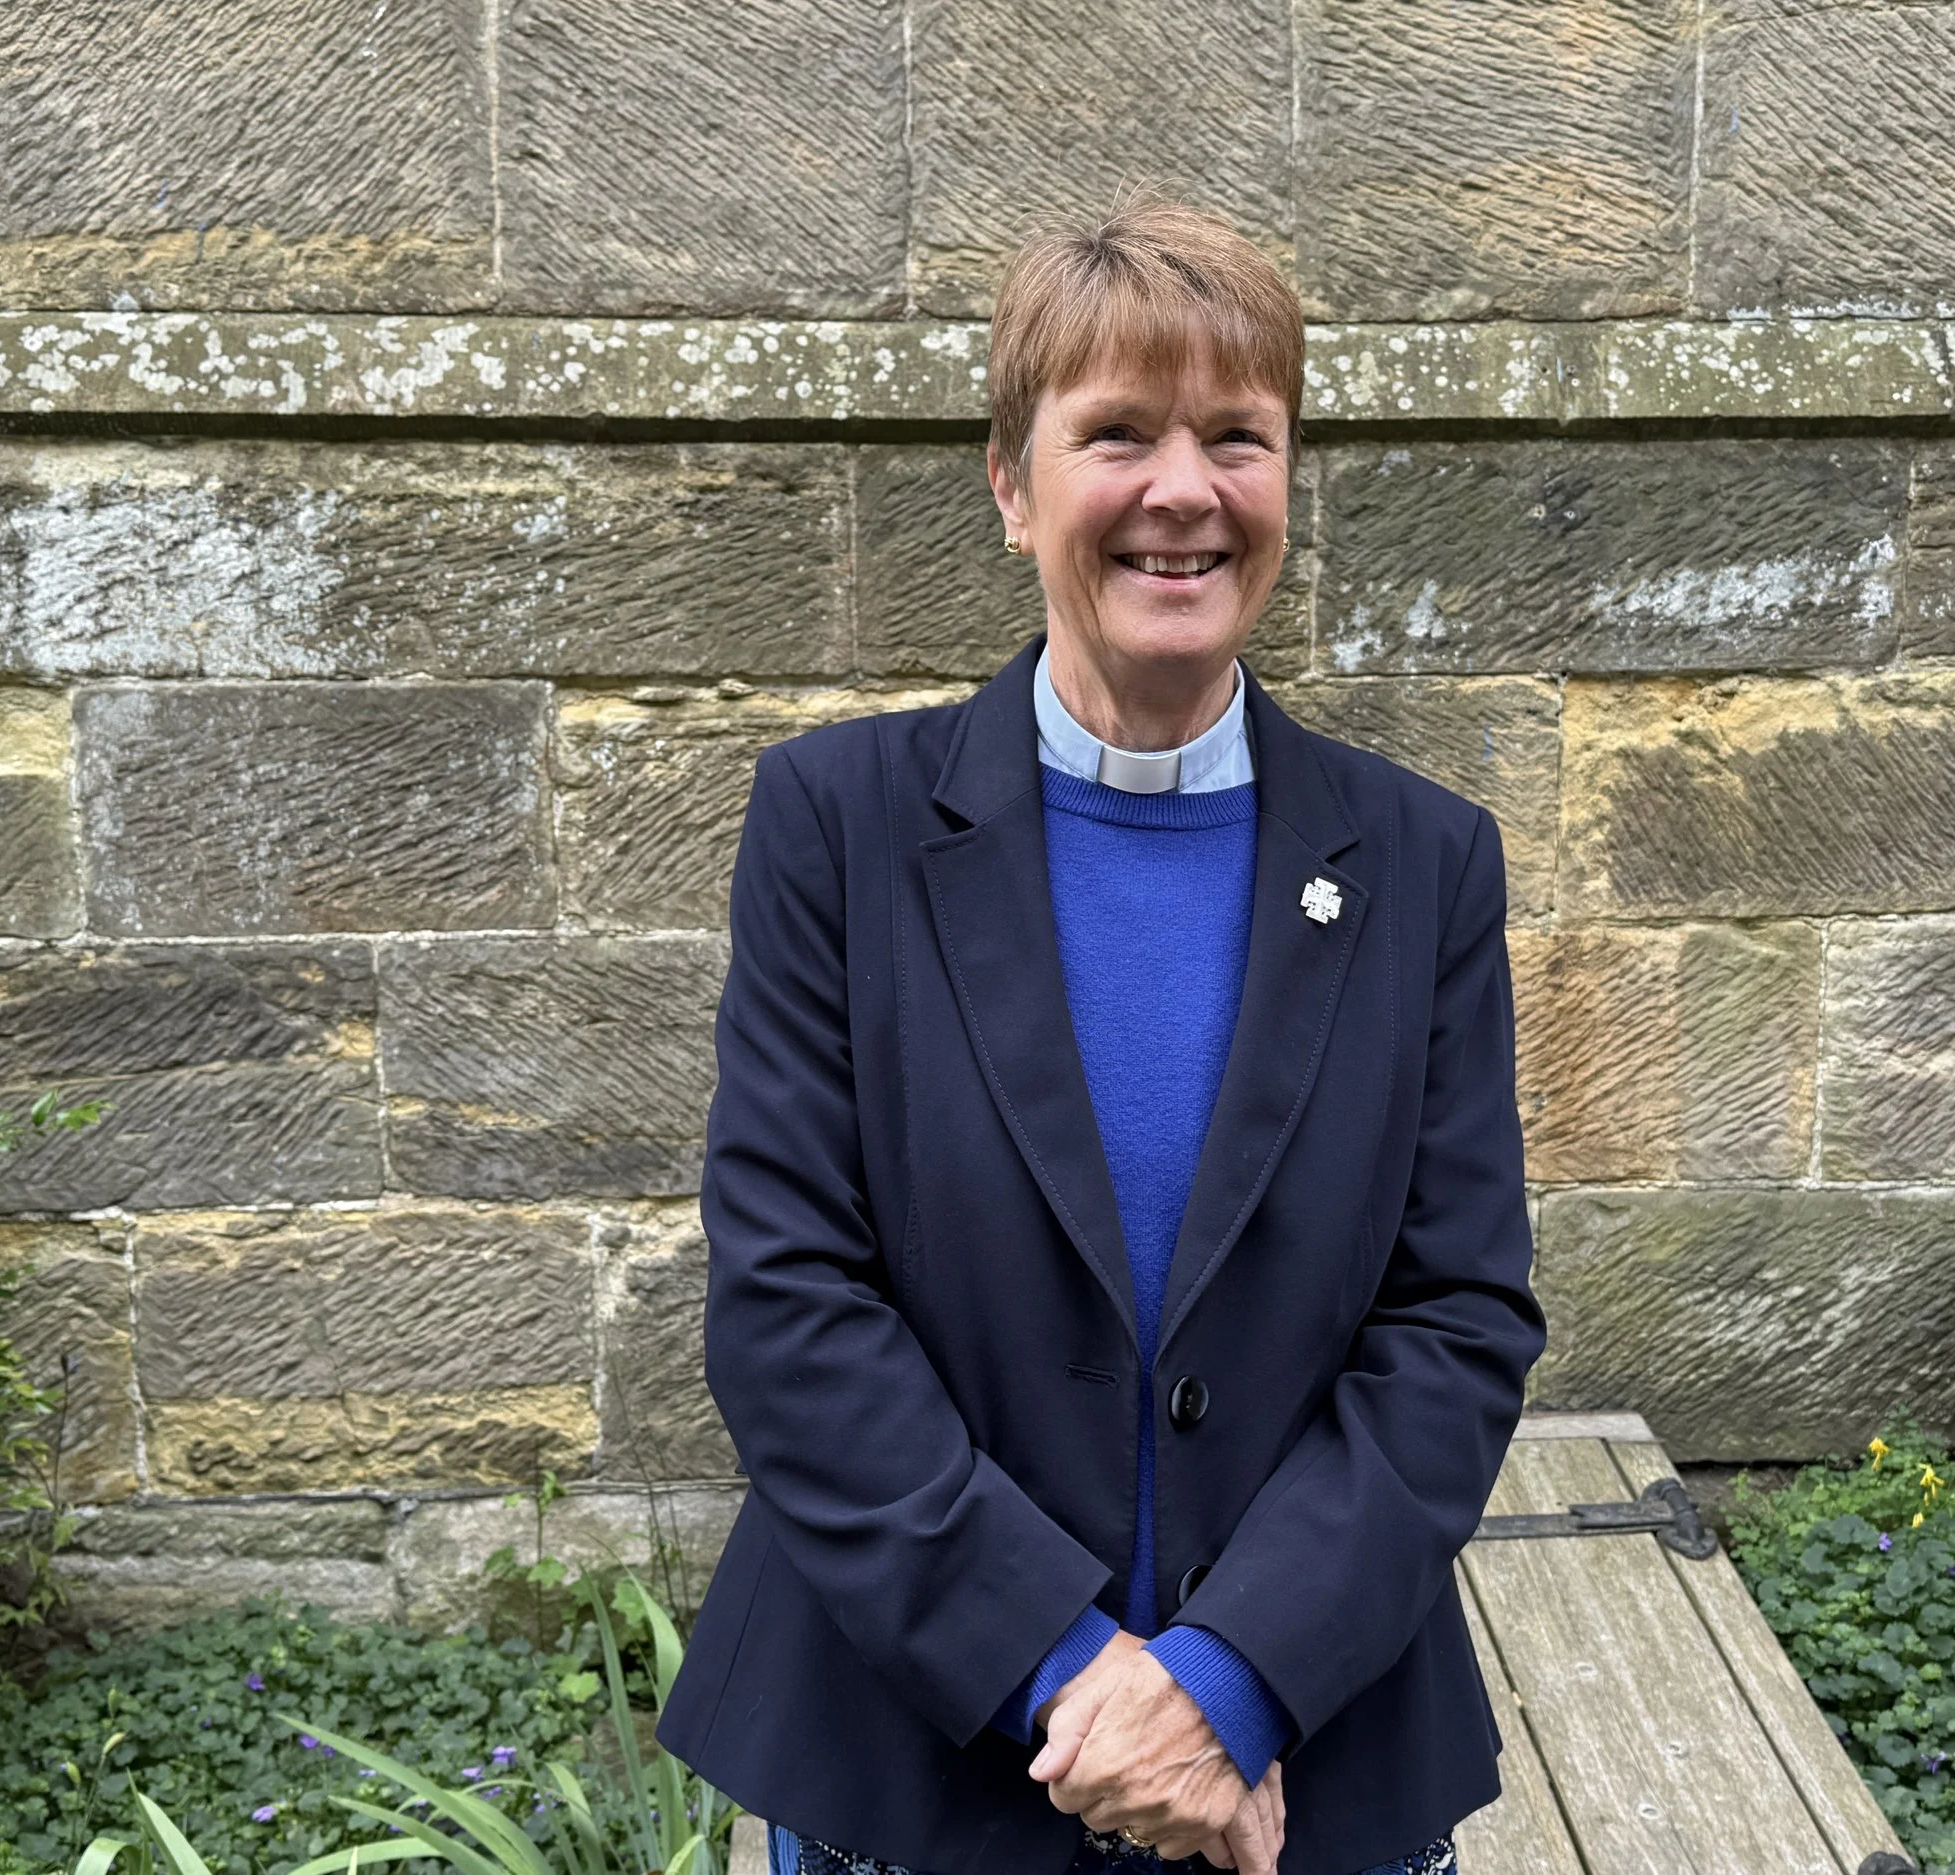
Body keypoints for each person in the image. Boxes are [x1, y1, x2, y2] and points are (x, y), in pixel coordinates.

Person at [656, 194, 1546, 1875]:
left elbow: (1457, 1320)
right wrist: (1077, 1676)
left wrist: (1226, 1683)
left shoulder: (1425, 863)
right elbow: (788, 1305)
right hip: (918, 1765)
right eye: (1117, 433)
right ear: (1013, 482)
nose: (1183, 492)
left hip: (1305, 1764)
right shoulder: (838, 827)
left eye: (1238, 437)